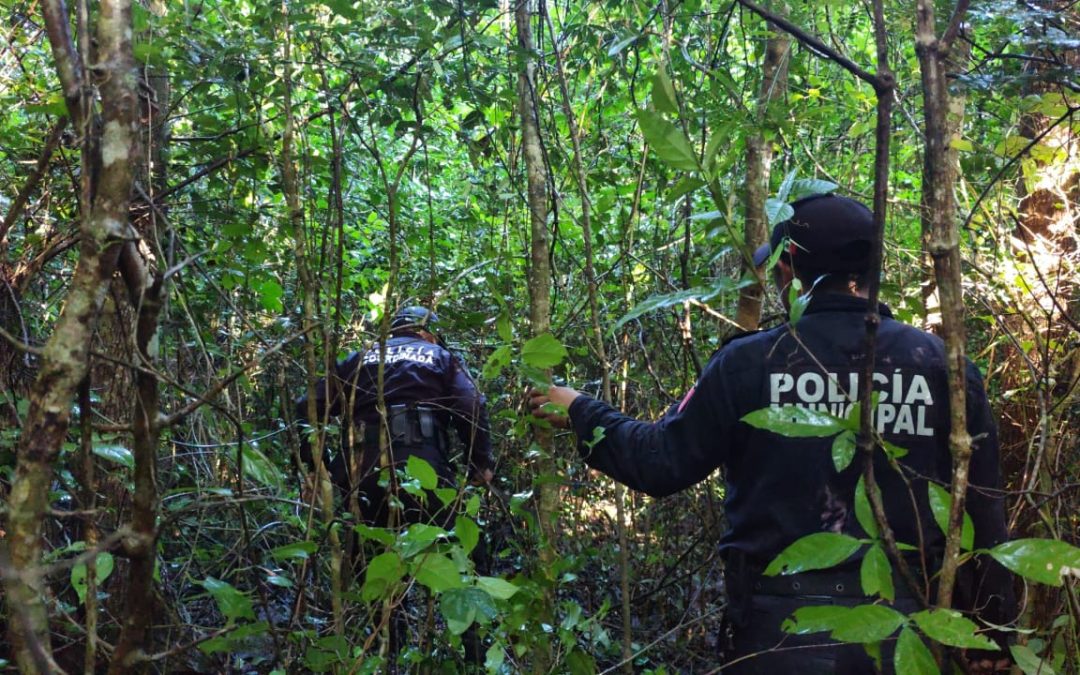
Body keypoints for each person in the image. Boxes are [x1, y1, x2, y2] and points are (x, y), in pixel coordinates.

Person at [529, 194, 1014, 673]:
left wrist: (581, 411)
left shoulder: (748, 362)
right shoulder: (941, 366)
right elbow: (983, 505)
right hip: (907, 630)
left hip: (779, 633)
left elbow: (661, 461)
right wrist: (993, 631)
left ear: (790, 269)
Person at [295, 305, 495, 529]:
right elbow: (471, 404)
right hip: (421, 464)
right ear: (429, 335)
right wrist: (481, 463)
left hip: (360, 470)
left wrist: (317, 467)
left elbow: (308, 406)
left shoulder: (356, 358)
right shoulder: (442, 356)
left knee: (365, 550)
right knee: (436, 548)